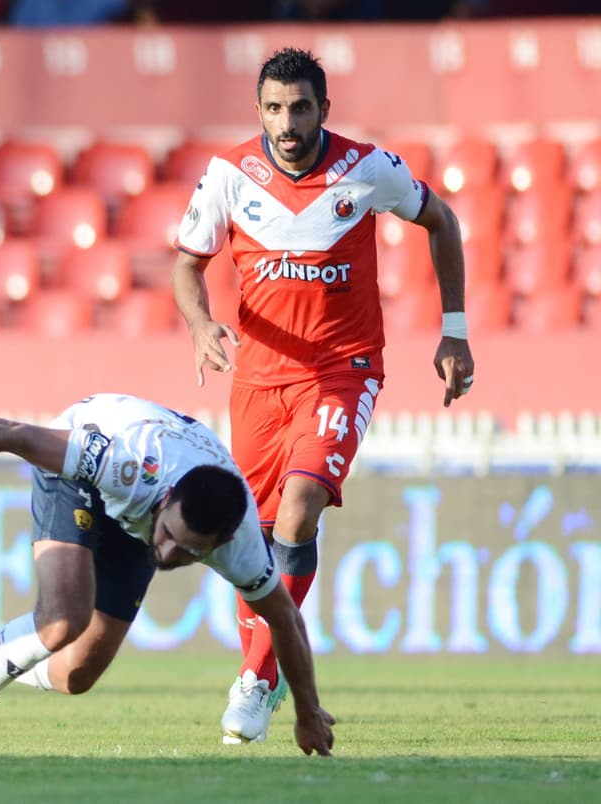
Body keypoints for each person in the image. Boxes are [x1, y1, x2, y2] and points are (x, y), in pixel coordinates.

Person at [170, 47, 475, 744]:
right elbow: (188, 266)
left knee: (300, 508)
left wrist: (454, 331)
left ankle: (256, 678)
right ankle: (267, 667)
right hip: (258, 381)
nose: (288, 123)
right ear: (259, 111)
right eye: (275, 109)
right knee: (251, 542)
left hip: (343, 370)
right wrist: (199, 324)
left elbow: (443, 221)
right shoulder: (228, 176)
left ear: (323, 110)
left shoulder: (367, 169)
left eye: (300, 108)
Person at [0, 394, 336, 757]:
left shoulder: (241, 547)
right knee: (62, 620)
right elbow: (15, 434)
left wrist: (307, 711)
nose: (167, 554)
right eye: (170, 535)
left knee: (75, 675)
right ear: (167, 499)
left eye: (188, 551)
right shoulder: (125, 465)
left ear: (221, 543)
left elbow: (286, 621)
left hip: (139, 512)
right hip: (88, 459)